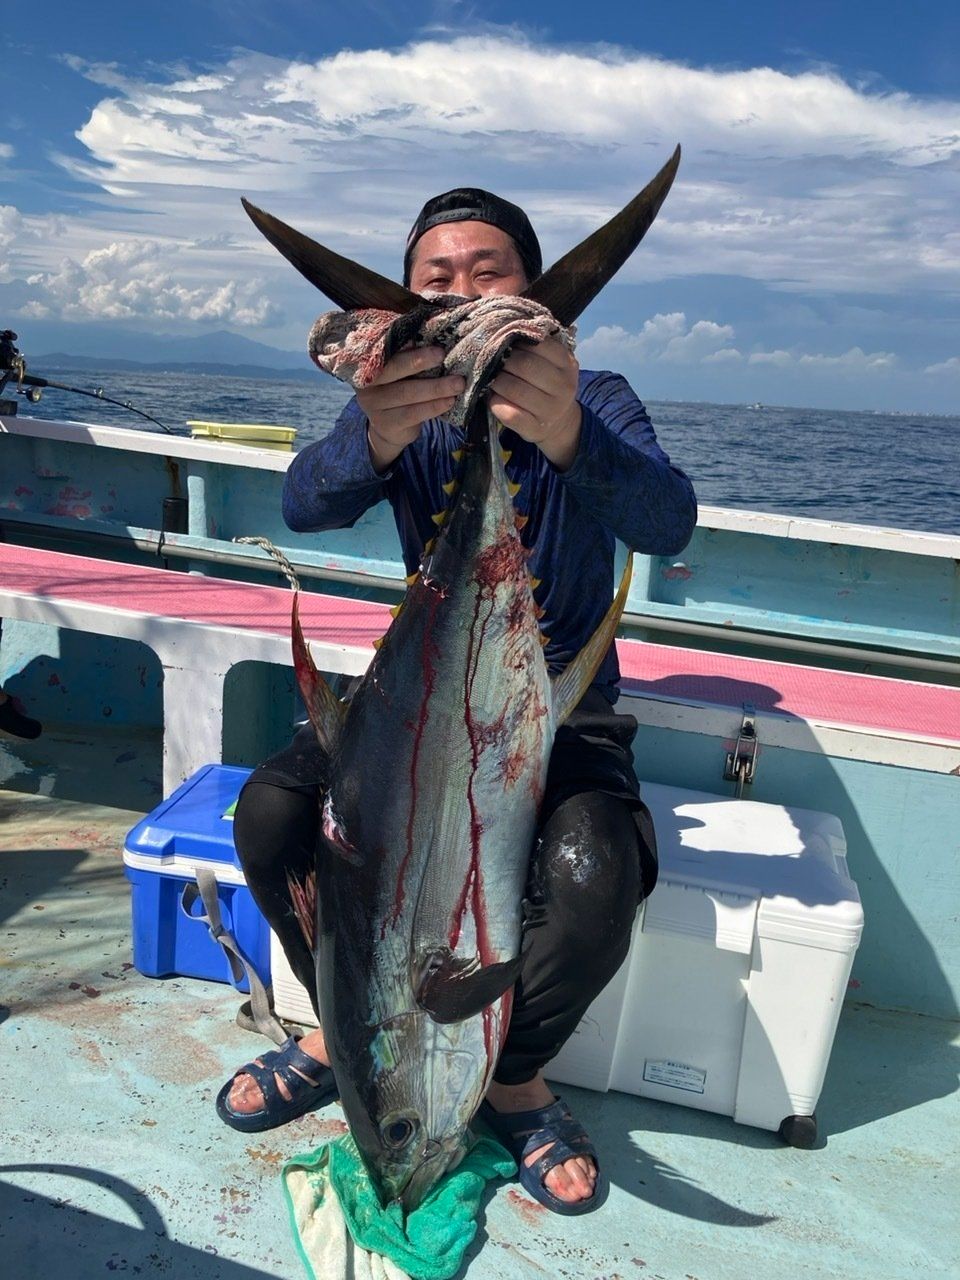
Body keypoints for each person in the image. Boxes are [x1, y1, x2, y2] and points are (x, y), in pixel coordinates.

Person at [216, 188, 697, 1213]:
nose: (460, 294)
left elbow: (665, 518)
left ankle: (515, 1077)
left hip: (561, 710)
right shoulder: (401, 393)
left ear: (535, 293)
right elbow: (308, 501)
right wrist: (377, 431)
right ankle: (335, 1023)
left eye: (489, 274)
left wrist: (565, 425)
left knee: (594, 877)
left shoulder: (597, 391)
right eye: (435, 280)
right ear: (403, 303)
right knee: (268, 811)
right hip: (422, 701)